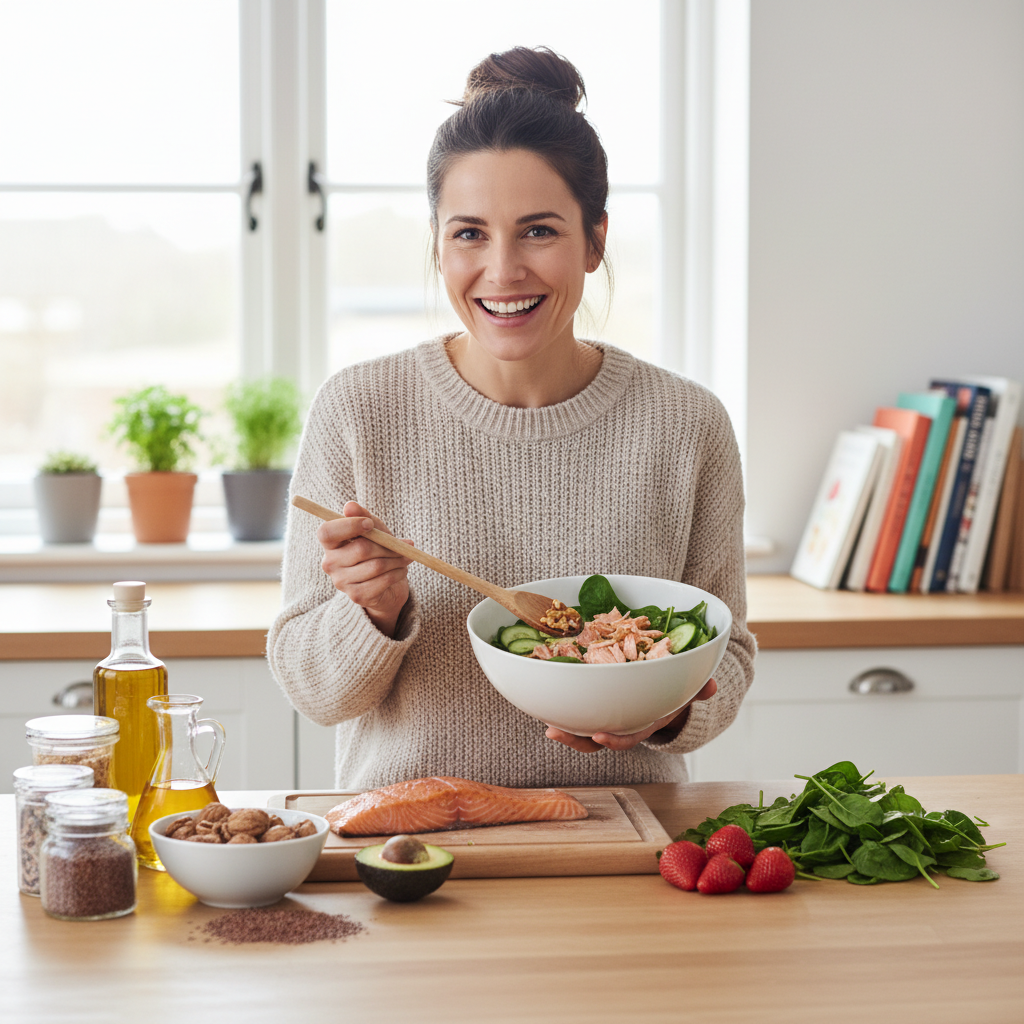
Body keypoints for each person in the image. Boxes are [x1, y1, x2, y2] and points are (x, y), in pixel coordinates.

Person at [267, 46, 756, 789]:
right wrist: (375, 610)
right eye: (469, 233)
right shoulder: (360, 410)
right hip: (414, 848)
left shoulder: (687, 423)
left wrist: (662, 713)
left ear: (594, 240)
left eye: (539, 231)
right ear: (437, 245)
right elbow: (313, 691)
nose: (502, 271)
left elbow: (731, 654)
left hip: (628, 847)